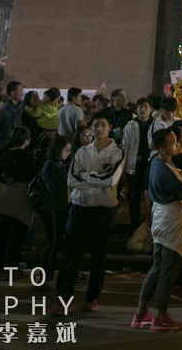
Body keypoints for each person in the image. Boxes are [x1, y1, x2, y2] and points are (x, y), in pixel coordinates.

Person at [130, 127, 182, 332]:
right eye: (174, 143)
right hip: (171, 221)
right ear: (162, 149)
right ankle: (160, 317)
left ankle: (140, 313)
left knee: (157, 267)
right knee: (168, 270)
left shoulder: (157, 161)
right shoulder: (165, 169)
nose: (178, 144)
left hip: (161, 218)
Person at [56, 114, 124, 313]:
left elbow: (111, 181)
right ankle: (63, 299)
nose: (99, 129)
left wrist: (86, 176)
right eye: (95, 125)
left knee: (98, 257)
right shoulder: (82, 152)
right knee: (71, 256)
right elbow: (71, 180)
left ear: (110, 127)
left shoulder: (117, 153)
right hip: (79, 208)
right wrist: (96, 178)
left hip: (102, 211)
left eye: (103, 125)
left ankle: (92, 296)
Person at [0, 126, 38, 269]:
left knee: (3, 231)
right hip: (21, 196)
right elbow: (33, 175)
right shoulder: (28, 156)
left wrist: (7, 179)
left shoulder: (3, 154)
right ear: (27, 140)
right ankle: (13, 262)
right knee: (18, 231)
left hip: (5, 194)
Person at [37, 135, 72, 280]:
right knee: (53, 241)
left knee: (55, 241)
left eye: (69, 150)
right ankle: (44, 274)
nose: (67, 153)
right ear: (58, 149)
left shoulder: (58, 164)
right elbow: (53, 188)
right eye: (66, 150)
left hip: (59, 208)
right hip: (51, 208)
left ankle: (47, 273)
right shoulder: (50, 166)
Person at [122, 97, 156, 230]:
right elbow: (125, 146)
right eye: (140, 107)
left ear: (151, 110)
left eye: (145, 107)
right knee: (134, 196)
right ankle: (134, 224)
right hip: (135, 165)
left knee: (151, 197)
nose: (142, 110)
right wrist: (125, 165)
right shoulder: (131, 125)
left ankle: (150, 225)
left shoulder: (155, 124)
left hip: (151, 165)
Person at [0, 81, 25, 152]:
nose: (22, 93)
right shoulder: (7, 110)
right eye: (20, 91)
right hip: (5, 148)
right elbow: (7, 133)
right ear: (12, 93)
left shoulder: (15, 108)